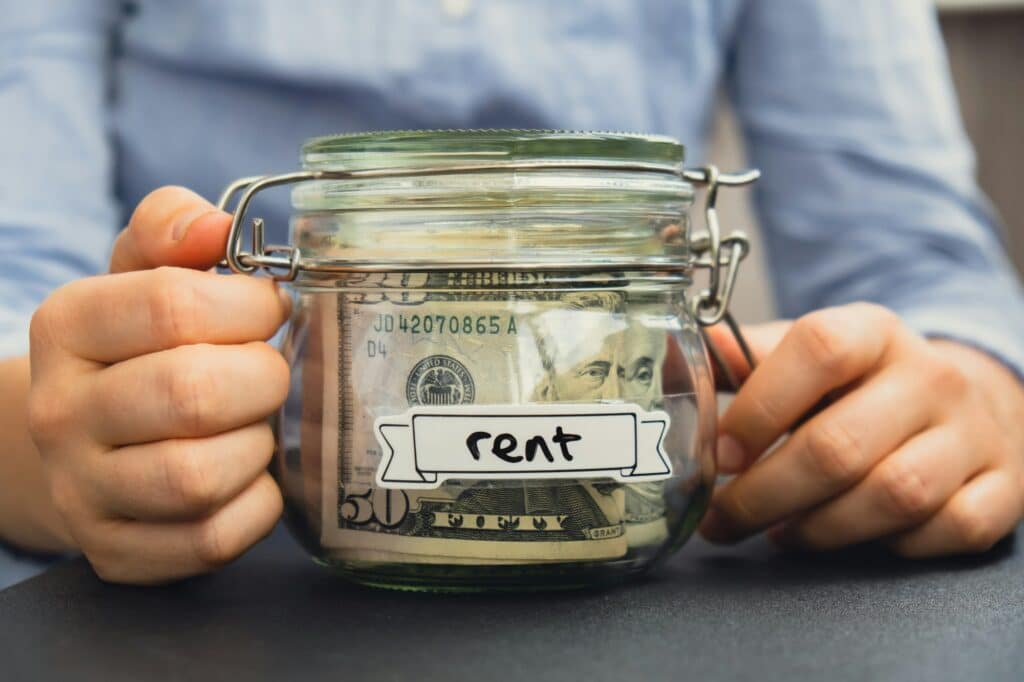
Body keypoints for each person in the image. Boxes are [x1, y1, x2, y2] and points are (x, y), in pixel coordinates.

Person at [2, 0, 1022, 588]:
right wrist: (56, 446)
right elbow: (16, 274)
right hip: (185, 561)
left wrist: (968, 384)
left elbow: (916, 259)